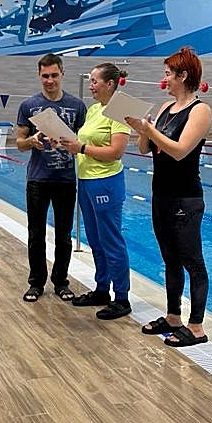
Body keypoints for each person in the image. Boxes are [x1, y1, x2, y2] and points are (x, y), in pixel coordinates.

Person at [125, 46, 212, 347]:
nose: (164, 79)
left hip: (185, 198)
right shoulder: (165, 107)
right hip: (161, 195)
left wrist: (149, 129)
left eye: (168, 74)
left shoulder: (200, 110)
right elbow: (144, 149)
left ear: (183, 75)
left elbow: (179, 151)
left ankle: (196, 327)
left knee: (193, 262)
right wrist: (142, 130)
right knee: (170, 259)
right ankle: (173, 317)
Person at [55, 64, 132, 320]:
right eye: (90, 81)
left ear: (110, 84)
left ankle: (121, 297)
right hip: (87, 180)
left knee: (111, 240)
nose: (91, 86)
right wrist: (66, 144)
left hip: (106, 182)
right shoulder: (93, 109)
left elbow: (116, 152)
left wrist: (81, 148)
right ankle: (102, 289)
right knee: (96, 240)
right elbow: (83, 145)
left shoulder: (119, 110)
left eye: (95, 81)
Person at [14, 52, 86, 302]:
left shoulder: (77, 106)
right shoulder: (28, 105)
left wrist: (70, 143)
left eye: (54, 75)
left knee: (64, 236)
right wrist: (32, 141)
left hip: (65, 179)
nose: (50, 80)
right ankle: (36, 283)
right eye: (45, 76)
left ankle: (61, 282)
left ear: (62, 74)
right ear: (39, 75)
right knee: (36, 234)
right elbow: (19, 143)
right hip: (38, 179)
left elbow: (83, 141)